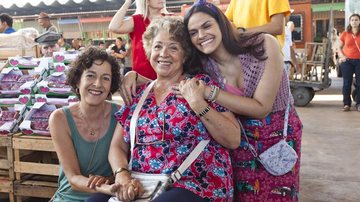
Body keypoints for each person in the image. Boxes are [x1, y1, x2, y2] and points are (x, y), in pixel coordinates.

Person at [121, 1, 303, 201]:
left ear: (222, 23)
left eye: (206, 26)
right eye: (193, 32)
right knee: (245, 196)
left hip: (275, 136)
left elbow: (262, 108)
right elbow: (175, 83)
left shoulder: (262, 44)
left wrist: (208, 93)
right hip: (240, 137)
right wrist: (137, 77)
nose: (201, 35)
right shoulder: (205, 63)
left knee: (278, 194)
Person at [108, 16, 240, 202]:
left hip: (197, 185)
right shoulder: (138, 95)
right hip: (145, 186)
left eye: (173, 47)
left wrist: (198, 105)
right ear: (148, 51)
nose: (164, 54)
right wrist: (122, 175)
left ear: (185, 55)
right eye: (158, 46)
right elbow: (117, 146)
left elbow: (233, 139)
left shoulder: (200, 86)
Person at [48, 47, 122, 201]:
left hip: (107, 198)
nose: (98, 84)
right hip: (69, 197)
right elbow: (73, 178)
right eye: (90, 76)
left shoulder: (121, 115)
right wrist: (108, 188)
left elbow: (124, 167)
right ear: (77, 80)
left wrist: (111, 181)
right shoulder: (60, 119)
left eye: (106, 78)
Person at [108, 0, 169, 80]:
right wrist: (128, 2)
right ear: (146, 1)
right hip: (141, 79)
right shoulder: (137, 20)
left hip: (167, 78)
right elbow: (113, 27)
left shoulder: (170, 19)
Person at [225, 0, 290, 48]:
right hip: (242, 53)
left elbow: (277, 27)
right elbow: (225, 22)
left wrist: (241, 32)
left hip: (266, 54)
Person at [338, 13, 360, 112]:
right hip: (347, 62)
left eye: (356, 20)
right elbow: (338, 47)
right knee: (347, 83)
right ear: (350, 22)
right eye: (352, 20)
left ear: (359, 21)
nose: (354, 22)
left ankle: (359, 104)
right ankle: (346, 104)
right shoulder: (345, 33)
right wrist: (342, 56)